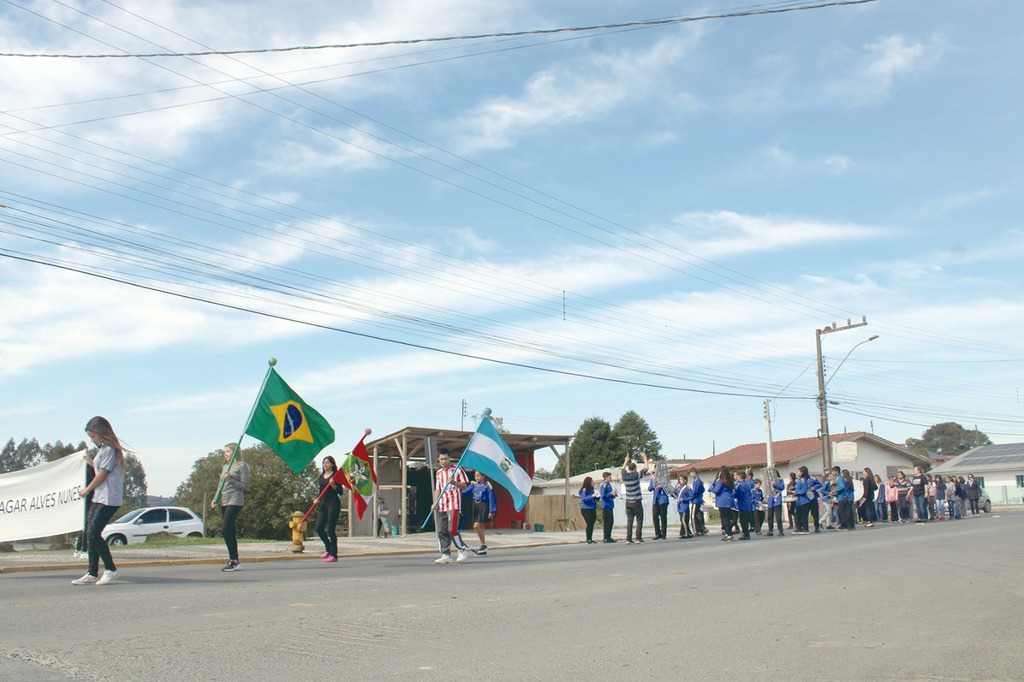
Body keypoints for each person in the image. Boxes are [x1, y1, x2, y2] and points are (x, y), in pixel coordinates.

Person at [72, 416, 126, 586]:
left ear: (102, 433)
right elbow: (97, 468)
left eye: (93, 436)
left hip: (109, 499)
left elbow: (102, 475)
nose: (92, 440)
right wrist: (85, 460)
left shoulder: (110, 449)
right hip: (99, 497)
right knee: (89, 533)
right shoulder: (102, 450)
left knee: (94, 534)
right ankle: (92, 572)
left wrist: (87, 490)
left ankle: (111, 569)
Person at [212, 442, 249, 572]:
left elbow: (245, 485)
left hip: (236, 499)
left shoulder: (242, 466)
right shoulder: (225, 467)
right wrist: (215, 499)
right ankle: (235, 560)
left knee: (225, 529)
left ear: (234, 452)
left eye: (228, 451)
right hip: (224, 500)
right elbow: (220, 485)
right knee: (230, 531)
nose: (225, 454)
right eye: (225, 452)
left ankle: (233, 560)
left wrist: (231, 480)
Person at [433, 448, 470, 564]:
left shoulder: (457, 470)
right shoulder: (438, 472)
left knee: (451, 529)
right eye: (441, 459)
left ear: (450, 458)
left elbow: (464, 486)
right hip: (441, 504)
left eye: (445, 459)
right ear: (438, 460)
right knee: (441, 530)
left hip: (453, 504)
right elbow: (437, 489)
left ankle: (462, 549)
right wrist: (435, 502)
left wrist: (454, 482)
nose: (443, 461)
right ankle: (445, 554)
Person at [316, 455, 343, 563]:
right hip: (324, 504)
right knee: (319, 528)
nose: (325, 465)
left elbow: (340, 492)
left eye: (327, 462)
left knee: (330, 529)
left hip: (334, 504)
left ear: (332, 464)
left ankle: (334, 555)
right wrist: (317, 499)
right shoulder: (321, 476)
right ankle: (328, 548)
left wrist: (333, 485)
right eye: (324, 463)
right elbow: (320, 491)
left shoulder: (336, 476)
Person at [620, 452, 650, 544]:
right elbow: (646, 468)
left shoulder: (625, 476)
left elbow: (622, 469)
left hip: (628, 501)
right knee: (639, 520)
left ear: (629, 469)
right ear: (635, 469)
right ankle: (638, 538)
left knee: (630, 521)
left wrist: (626, 461)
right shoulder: (636, 476)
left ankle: (628, 539)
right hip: (637, 501)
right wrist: (645, 457)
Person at [464, 471, 496, 554]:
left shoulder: (487, 486)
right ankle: (483, 546)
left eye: (478, 476)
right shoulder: (473, 485)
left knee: (476, 525)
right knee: (480, 526)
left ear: (483, 476)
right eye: (475, 476)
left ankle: (483, 544)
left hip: (483, 505)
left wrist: (491, 511)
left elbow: (491, 498)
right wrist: (455, 493)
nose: (477, 478)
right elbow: (465, 492)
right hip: (475, 505)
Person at [72, 464, 95, 559]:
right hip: (89, 500)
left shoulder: (83, 472)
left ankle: (79, 549)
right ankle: (84, 550)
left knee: (84, 526)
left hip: (85, 500)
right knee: (86, 525)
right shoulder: (91, 472)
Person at [710, 466, 736, 542]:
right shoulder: (729, 481)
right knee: (727, 518)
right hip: (729, 500)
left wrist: (712, 487)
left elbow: (716, 490)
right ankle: (729, 534)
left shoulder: (720, 481)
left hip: (722, 501)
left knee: (725, 519)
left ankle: (729, 535)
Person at [792, 466, 815, 535]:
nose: (797, 473)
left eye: (798, 472)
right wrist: (793, 487)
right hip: (798, 502)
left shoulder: (803, 480)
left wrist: (795, 492)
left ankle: (805, 528)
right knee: (798, 515)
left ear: (802, 473)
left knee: (804, 516)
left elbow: (804, 490)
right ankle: (799, 527)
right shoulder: (799, 480)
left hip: (804, 501)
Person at [733, 470, 754, 540]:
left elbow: (739, 494)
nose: (736, 478)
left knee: (743, 521)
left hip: (743, 505)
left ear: (740, 477)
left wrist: (734, 493)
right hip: (748, 504)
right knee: (746, 521)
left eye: (737, 476)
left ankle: (745, 534)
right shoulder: (747, 485)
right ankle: (746, 533)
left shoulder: (741, 485)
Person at [578, 476, 599, 544]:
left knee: (592, 523)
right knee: (589, 523)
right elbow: (584, 499)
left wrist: (597, 496)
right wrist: (592, 496)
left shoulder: (593, 489)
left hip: (592, 508)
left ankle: (591, 538)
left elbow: (595, 498)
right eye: (592, 481)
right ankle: (588, 538)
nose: (593, 483)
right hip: (586, 509)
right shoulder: (585, 490)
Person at [598, 471, 618, 543]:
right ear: (606, 478)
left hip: (610, 505)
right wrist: (610, 494)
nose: (611, 478)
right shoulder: (604, 485)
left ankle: (609, 536)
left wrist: (613, 495)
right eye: (610, 477)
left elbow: (609, 495)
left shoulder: (609, 485)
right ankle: (606, 537)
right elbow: (603, 496)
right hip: (606, 506)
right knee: (607, 522)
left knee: (611, 522)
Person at [765, 470, 785, 537]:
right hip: (770, 500)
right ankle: (770, 530)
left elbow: (782, 487)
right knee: (770, 517)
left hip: (777, 500)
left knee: (778, 517)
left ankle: (780, 530)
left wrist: (775, 485)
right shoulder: (768, 480)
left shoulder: (780, 480)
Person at [689, 468, 708, 536]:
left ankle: (695, 530)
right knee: (697, 515)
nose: (690, 475)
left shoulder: (697, 480)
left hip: (696, 500)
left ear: (694, 472)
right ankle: (702, 528)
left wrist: (690, 495)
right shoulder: (697, 480)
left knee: (693, 516)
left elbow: (695, 492)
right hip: (698, 499)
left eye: (691, 473)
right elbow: (703, 489)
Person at [673, 474, 693, 538]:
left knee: (684, 519)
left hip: (684, 505)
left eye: (681, 479)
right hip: (679, 506)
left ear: (685, 480)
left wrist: (684, 499)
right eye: (679, 479)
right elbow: (674, 493)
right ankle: (687, 532)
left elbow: (691, 496)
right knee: (682, 519)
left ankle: (686, 533)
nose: (680, 481)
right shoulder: (679, 487)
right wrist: (676, 488)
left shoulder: (687, 488)